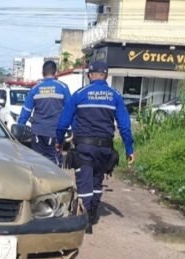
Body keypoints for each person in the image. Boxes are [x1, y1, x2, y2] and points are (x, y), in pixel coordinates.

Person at [56, 61, 134, 233]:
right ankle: (92, 213)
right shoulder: (115, 96)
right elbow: (125, 127)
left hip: (84, 147)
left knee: (84, 182)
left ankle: (86, 219)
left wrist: (59, 141)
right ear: (106, 75)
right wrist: (130, 150)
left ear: (90, 75)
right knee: (97, 181)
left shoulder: (79, 94)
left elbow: (63, 123)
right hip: (105, 149)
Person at [17, 60, 71, 165]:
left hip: (37, 133)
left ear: (43, 73)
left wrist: (19, 129)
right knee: (54, 164)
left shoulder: (35, 89)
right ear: (56, 73)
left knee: (37, 164)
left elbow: (26, 111)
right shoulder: (63, 88)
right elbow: (69, 112)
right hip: (55, 133)